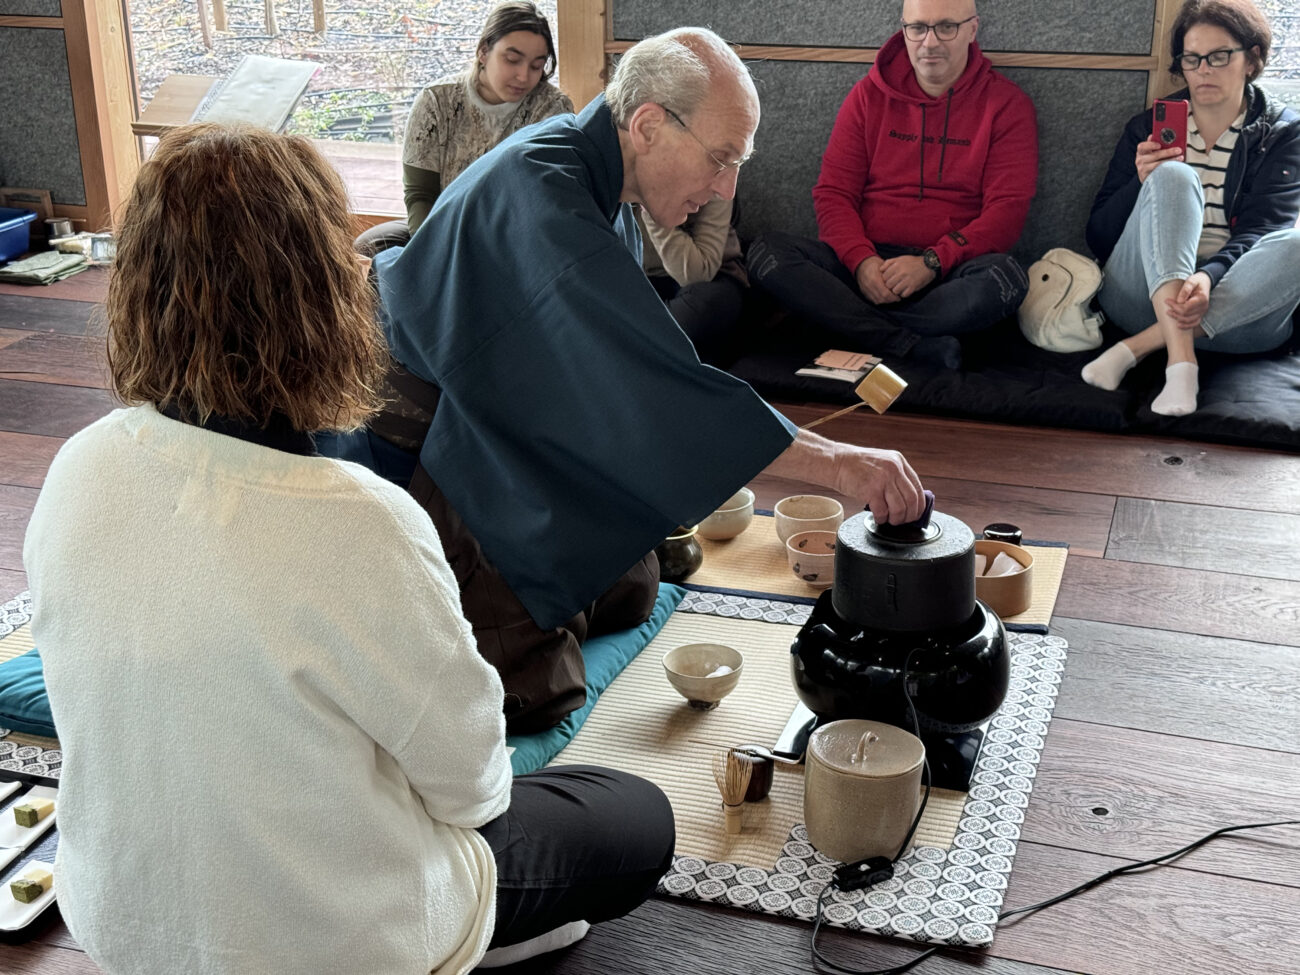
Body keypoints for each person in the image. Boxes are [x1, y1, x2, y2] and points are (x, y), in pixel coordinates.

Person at [23, 123, 673, 975]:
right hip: (333, 941)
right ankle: (477, 939)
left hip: (115, 915)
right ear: (322, 294)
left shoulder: (78, 467)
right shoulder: (361, 517)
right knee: (636, 814)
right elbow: (474, 785)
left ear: (136, 289)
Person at [325, 27, 927, 734]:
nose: (726, 186)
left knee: (634, 587)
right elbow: (654, 391)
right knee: (532, 692)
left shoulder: (592, 174)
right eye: (722, 159)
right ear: (647, 125)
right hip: (439, 442)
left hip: (498, 406)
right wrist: (840, 466)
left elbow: (632, 368)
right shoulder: (545, 194)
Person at [745, 0, 1036, 366]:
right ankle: (909, 343)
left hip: (948, 272)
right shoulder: (868, 96)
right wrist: (862, 262)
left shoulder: (1007, 104)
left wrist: (931, 262)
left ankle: (847, 326)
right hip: (865, 266)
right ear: (904, 30)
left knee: (1006, 278)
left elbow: (1006, 214)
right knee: (765, 252)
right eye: (918, 28)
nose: (929, 42)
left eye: (946, 27)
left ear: (972, 30)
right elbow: (834, 194)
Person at [1082, 0, 1300, 416]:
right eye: (1192, 58)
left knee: (1296, 243)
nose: (1203, 69)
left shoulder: (1283, 134)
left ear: (1252, 59)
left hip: (1240, 311)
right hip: (1141, 297)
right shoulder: (1146, 129)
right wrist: (1140, 183)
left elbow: (1263, 232)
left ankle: (1139, 347)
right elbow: (1100, 236)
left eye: (1219, 56)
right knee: (1174, 176)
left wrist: (1208, 276)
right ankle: (1182, 366)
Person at [355, 1, 573, 255]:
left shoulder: (553, 109)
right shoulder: (436, 101)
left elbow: (546, 200)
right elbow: (420, 194)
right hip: (444, 228)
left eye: (536, 66)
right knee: (370, 248)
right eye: (512, 60)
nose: (524, 76)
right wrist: (433, 252)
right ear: (483, 51)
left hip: (518, 236)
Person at [636, 196, 749, 367]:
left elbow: (696, 274)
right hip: (642, 279)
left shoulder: (716, 177)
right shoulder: (606, 181)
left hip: (711, 279)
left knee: (706, 306)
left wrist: (654, 214)